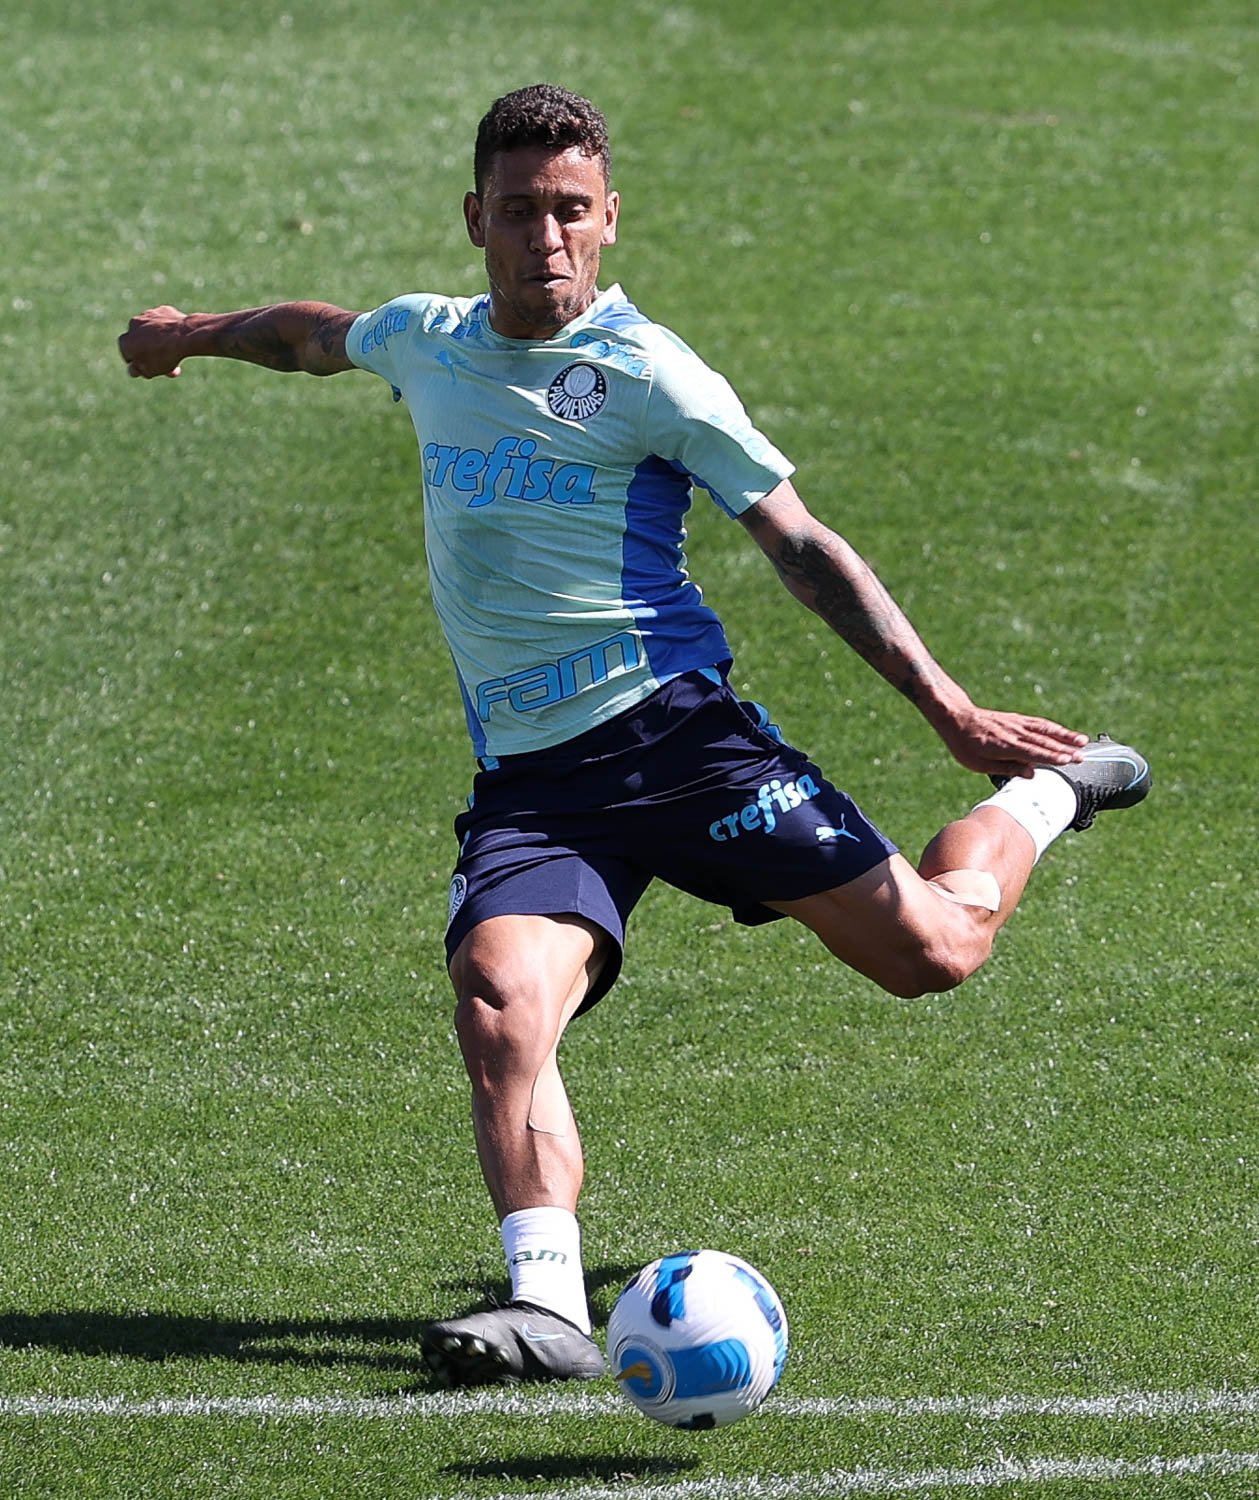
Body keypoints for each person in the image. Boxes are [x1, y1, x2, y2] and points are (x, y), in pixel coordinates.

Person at [119, 83, 1150, 1388]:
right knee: (499, 1002)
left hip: (684, 747)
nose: (544, 235)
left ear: (608, 219)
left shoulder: (653, 374)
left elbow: (803, 547)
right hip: (536, 785)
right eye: (518, 210)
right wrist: (190, 334)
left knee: (936, 952)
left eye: (569, 209)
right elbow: (310, 334)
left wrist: (950, 711)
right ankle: (546, 1304)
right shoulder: (427, 341)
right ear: (476, 219)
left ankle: (1046, 798)